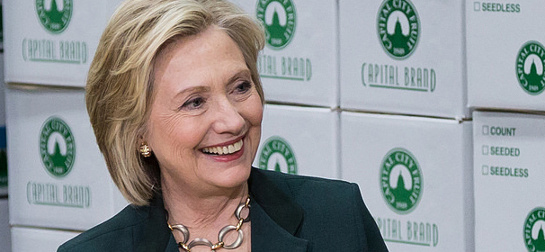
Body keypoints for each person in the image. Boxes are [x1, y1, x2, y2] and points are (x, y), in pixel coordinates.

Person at [58, 0, 389, 251]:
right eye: (195, 102)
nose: (233, 120)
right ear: (137, 132)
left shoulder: (338, 216)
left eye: (240, 87)